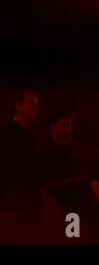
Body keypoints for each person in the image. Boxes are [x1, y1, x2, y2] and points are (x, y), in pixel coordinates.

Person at [38, 109, 99, 243]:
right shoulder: (45, 154)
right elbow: (44, 184)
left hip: (81, 204)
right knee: (73, 237)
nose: (67, 129)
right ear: (53, 126)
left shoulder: (75, 151)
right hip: (63, 204)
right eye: (63, 125)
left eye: (69, 124)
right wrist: (68, 182)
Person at [0, 88, 42, 243]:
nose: (37, 108)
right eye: (32, 103)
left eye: (37, 104)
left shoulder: (29, 136)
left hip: (29, 199)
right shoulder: (6, 135)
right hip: (14, 199)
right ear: (18, 105)